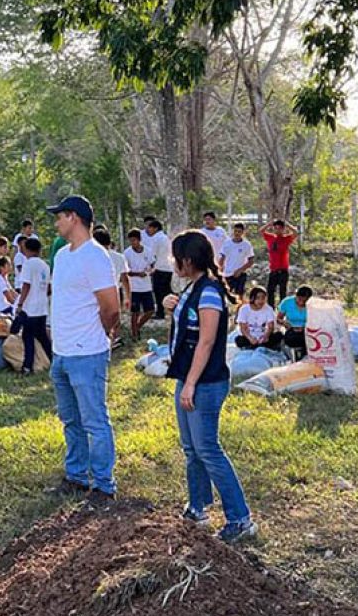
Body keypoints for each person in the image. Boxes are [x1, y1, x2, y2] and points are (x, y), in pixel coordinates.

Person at [163, 230, 257, 543]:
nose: (173, 263)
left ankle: (240, 519)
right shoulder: (193, 288)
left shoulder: (209, 293)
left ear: (188, 260)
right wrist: (171, 306)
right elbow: (185, 330)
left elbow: (206, 341)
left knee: (207, 449)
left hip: (205, 382)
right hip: (188, 378)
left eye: (176, 258)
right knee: (192, 448)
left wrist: (190, 384)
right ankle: (198, 507)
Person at [46, 195, 122, 504]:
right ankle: (76, 475)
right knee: (71, 420)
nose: (56, 223)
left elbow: (111, 307)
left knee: (94, 420)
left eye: (59, 216)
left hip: (87, 352)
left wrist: (100, 334)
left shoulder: (95, 256)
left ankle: (103, 484)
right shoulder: (62, 255)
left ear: (74, 217)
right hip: (62, 352)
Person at [15, 236, 53, 373]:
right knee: (43, 337)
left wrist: (20, 303)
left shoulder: (28, 264)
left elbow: (26, 285)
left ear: (26, 249)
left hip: (30, 308)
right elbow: (49, 288)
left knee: (28, 337)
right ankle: (53, 360)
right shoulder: (45, 266)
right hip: (42, 307)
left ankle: (27, 366)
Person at [123, 228, 157, 339]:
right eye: (130, 240)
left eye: (134, 240)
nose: (132, 243)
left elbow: (152, 264)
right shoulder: (127, 253)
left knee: (150, 310)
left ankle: (137, 327)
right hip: (134, 287)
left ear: (139, 239)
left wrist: (150, 271)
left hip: (146, 286)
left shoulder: (148, 251)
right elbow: (126, 271)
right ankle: (134, 334)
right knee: (135, 312)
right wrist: (138, 274)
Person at [259, 218, 297, 306]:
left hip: (283, 270)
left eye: (280, 228)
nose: (277, 230)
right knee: (270, 291)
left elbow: (295, 232)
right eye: (276, 228)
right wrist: (269, 223)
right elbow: (261, 231)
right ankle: (271, 309)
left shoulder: (286, 238)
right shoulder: (270, 237)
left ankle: (282, 310)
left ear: (283, 229)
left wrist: (287, 224)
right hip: (273, 270)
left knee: (282, 292)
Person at [94, 227, 130, 321]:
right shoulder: (119, 257)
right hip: (114, 295)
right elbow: (125, 279)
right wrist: (128, 297)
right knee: (114, 322)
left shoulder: (90, 257)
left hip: (95, 296)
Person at [218, 223, 254, 302]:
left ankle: (240, 308)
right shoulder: (227, 243)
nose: (237, 233)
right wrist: (219, 270)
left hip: (240, 274)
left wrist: (240, 270)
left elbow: (251, 261)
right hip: (227, 273)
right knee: (226, 295)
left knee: (239, 296)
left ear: (243, 232)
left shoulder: (246, 245)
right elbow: (222, 258)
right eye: (235, 231)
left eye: (239, 231)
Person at [146, 218, 174, 319]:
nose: (148, 230)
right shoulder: (165, 238)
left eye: (149, 228)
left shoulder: (156, 238)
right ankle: (173, 311)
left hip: (160, 268)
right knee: (167, 291)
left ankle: (160, 313)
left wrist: (150, 267)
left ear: (156, 228)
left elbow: (153, 255)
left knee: (158, 292)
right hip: (169, 268)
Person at [276, 285, 313, 352]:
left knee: (310, 340)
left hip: (307, 330)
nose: (301, 302)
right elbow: (278, 318)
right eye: (299, 299)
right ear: (296, 296)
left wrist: (304, 327)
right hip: (291, 329)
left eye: (305, 301)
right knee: (291, 339)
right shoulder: (287, 302)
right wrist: (284, 323)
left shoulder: (312, 305)